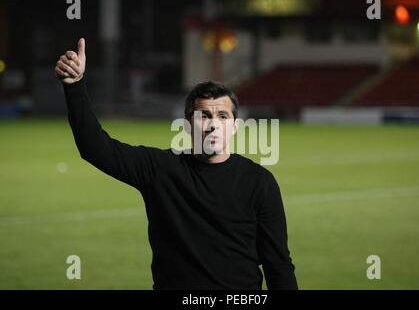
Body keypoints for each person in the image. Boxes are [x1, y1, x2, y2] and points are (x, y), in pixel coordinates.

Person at [55, 38, 298, 290]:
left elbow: (277, 264)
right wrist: (74, 87)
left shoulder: (260, 182)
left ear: (236, 127)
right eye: (203, 115)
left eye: (222, 116)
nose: (213, 124)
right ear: (186, 127)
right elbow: (95, 148)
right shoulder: (159, 169)